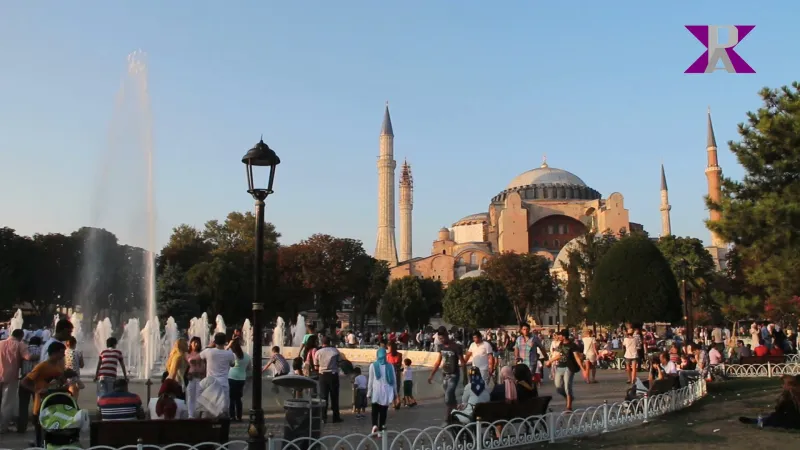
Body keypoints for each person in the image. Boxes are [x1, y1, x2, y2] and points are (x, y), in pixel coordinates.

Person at [21, 341, 67, 446]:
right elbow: (24, 382)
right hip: (41, 405)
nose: (64, 355)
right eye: (62, 352)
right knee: (40, 435)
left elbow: (58, 382)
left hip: (54, 404)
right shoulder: (41, 366)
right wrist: (37, 391)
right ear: (55, 352)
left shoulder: (59, 366)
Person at [427, 326, 466, 422]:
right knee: (450, 398)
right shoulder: (441, 347)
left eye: (442, 338)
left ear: (446, 335)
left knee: (448, 396)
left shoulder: (456, 347)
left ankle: (447, 417)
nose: (441, 340)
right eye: (439, 339)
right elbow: (438, 361)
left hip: (454, 375)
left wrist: (465, 377)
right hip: (445, 375)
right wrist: (431, 375)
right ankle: (456, 415)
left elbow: (463, 362)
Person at [546, 329, 587, 412]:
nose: (558, 336)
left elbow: (577, 358)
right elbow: (559, 356)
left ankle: (569, 406)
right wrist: (550, 361)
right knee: (558, 387)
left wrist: (583, 369)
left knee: (567, 387)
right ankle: (569, 397)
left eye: (559, 335)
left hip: (569, 367)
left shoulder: (572, 345)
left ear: (564, 336)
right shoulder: (560, 344)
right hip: (560, 367)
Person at [0, 329, 31, 432]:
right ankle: (2, 426)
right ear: (21, 336)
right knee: (7, 402)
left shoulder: (1, 343)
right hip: (11, 376)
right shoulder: (20, 344)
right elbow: (28, 357)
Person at [199, 333, 236, 414]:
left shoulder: (209, 351)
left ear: (214, 341)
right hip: (223, 383)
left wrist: (209, 346)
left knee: (209, 406)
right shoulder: (229, 353)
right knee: (224, 407)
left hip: (211, 383)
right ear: (225, 341)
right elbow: (233, 364)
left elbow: (200, 356)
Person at [313, 336, 343, 423]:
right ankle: (336, 417)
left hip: (322, 376)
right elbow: (339, 362)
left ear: (322, 343)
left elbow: (316, 366)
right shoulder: (335, 351)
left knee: (323, 397)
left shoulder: (318, 352)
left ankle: (323, 417)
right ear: (330, 342)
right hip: (333, 375)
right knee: (334, 396)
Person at [367, 348, 396, 435]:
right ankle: (381, 428)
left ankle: (374, 425)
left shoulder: (373, 366)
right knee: (383, 412)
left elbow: (370, 381)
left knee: (374, 411)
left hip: (376, 392)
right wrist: (395, 393)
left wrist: (369, 392)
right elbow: (394, 381)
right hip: (386, 392)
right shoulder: (390, 366)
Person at [17, 335, 41, 433]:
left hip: (24, 378)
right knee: (37, 403)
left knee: (23, 404)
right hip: (36, 380)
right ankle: (38, 425)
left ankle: (22, 427)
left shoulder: (24, 350)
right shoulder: (41, 350)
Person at [227, 339, 251, 422]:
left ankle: (232, 416)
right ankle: (239, 416)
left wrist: (228, 346)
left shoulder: (232, 355)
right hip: (241, 379)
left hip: (231, 377)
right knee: (238, 398)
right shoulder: (247, 356)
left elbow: (223, 354)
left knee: (231, 398)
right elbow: (249, 368)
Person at [185, 336, 206, 418]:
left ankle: (198, 414)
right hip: (191, 378)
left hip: (200, 378)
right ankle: (190, 414)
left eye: (198, 343)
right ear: (191, 343)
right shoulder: (188, 353)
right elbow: (191, 360)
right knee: (190, 396)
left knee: (199, 396)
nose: (196, 344)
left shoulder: (202, 353)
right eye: (194, 342)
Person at [386, 341, 403, 409]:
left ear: (391, 347)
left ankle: (394, 403)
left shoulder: (387, 355)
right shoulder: (399, 354)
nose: (387, 349)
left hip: (390, 373)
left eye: (388, 347)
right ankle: (398, 400)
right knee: (397, 387)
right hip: (397, 372)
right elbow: (399, 364)